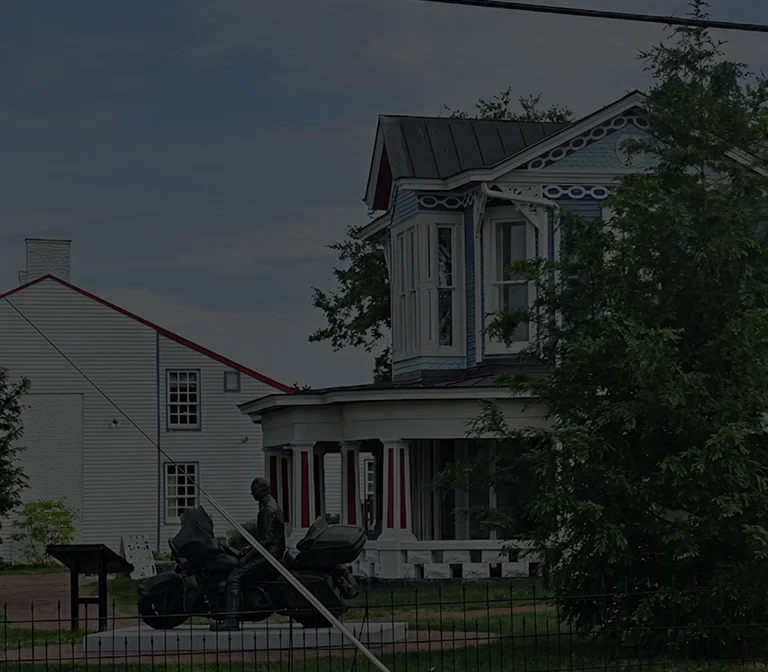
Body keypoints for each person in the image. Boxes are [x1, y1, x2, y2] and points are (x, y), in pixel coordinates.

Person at [210, 477, 286, 631]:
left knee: (234, 577)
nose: (252, 495)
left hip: (269, 556)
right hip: (272, 552)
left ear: (263, 491)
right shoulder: (270, 505)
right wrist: (248, 548)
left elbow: (265, 542)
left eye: (254, 492)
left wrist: (247, 556)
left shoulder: (267, 509)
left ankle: (231, 620)